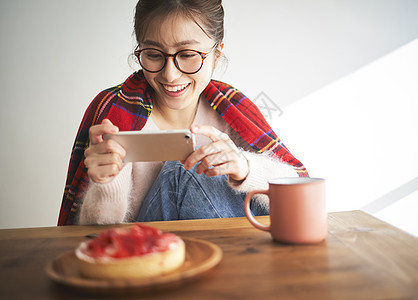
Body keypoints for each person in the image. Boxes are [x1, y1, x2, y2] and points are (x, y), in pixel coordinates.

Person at [57, 0, 308, 226]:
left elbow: (301, 196)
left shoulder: (233, 109)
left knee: (190, 167)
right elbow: (95, 236)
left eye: (187, 55)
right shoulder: (112, 111)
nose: (170, 74)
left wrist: (244, 168)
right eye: (154, 55)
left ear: (216, 54)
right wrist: (106, 182)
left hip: (234, 247)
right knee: (184, 168)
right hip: (147, 252)